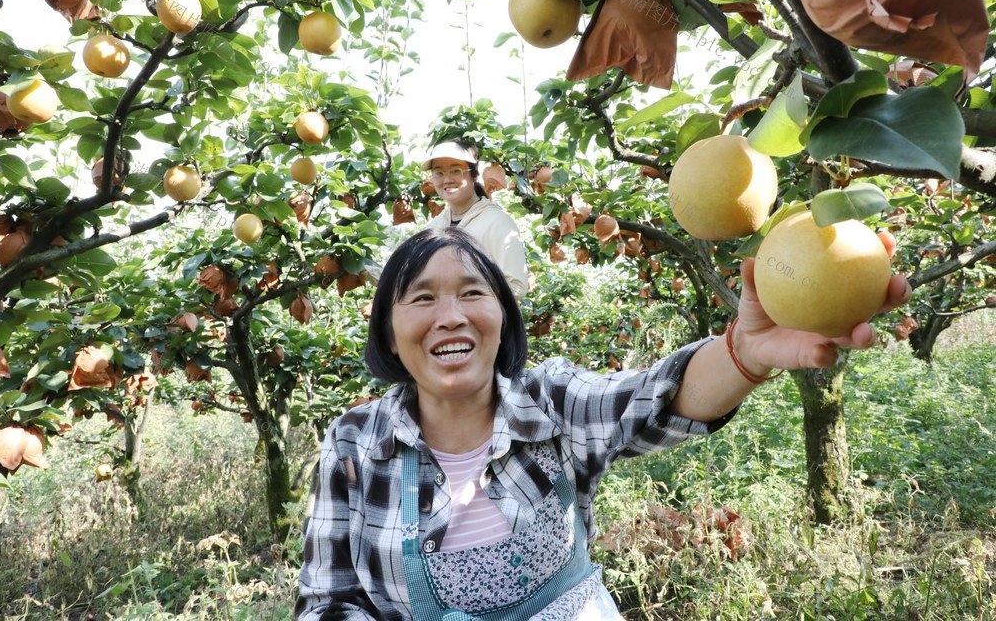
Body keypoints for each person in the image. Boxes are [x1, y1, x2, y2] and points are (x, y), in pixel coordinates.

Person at [295, 227, 911, 620]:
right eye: (422, 298)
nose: (451, 316)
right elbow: (328, 600)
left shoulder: (550, 404)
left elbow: (651, 399)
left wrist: (745, 353)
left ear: (503, 319)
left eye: (473, 294)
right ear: (390, 333)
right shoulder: (357, 442)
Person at [422, 140, 529, 301]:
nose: (447, 179)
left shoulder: (497, 222)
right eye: (439, 173)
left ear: (474, 175)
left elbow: (516, 286)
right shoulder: (434, 226)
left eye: (456, 171)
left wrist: (470, 298)